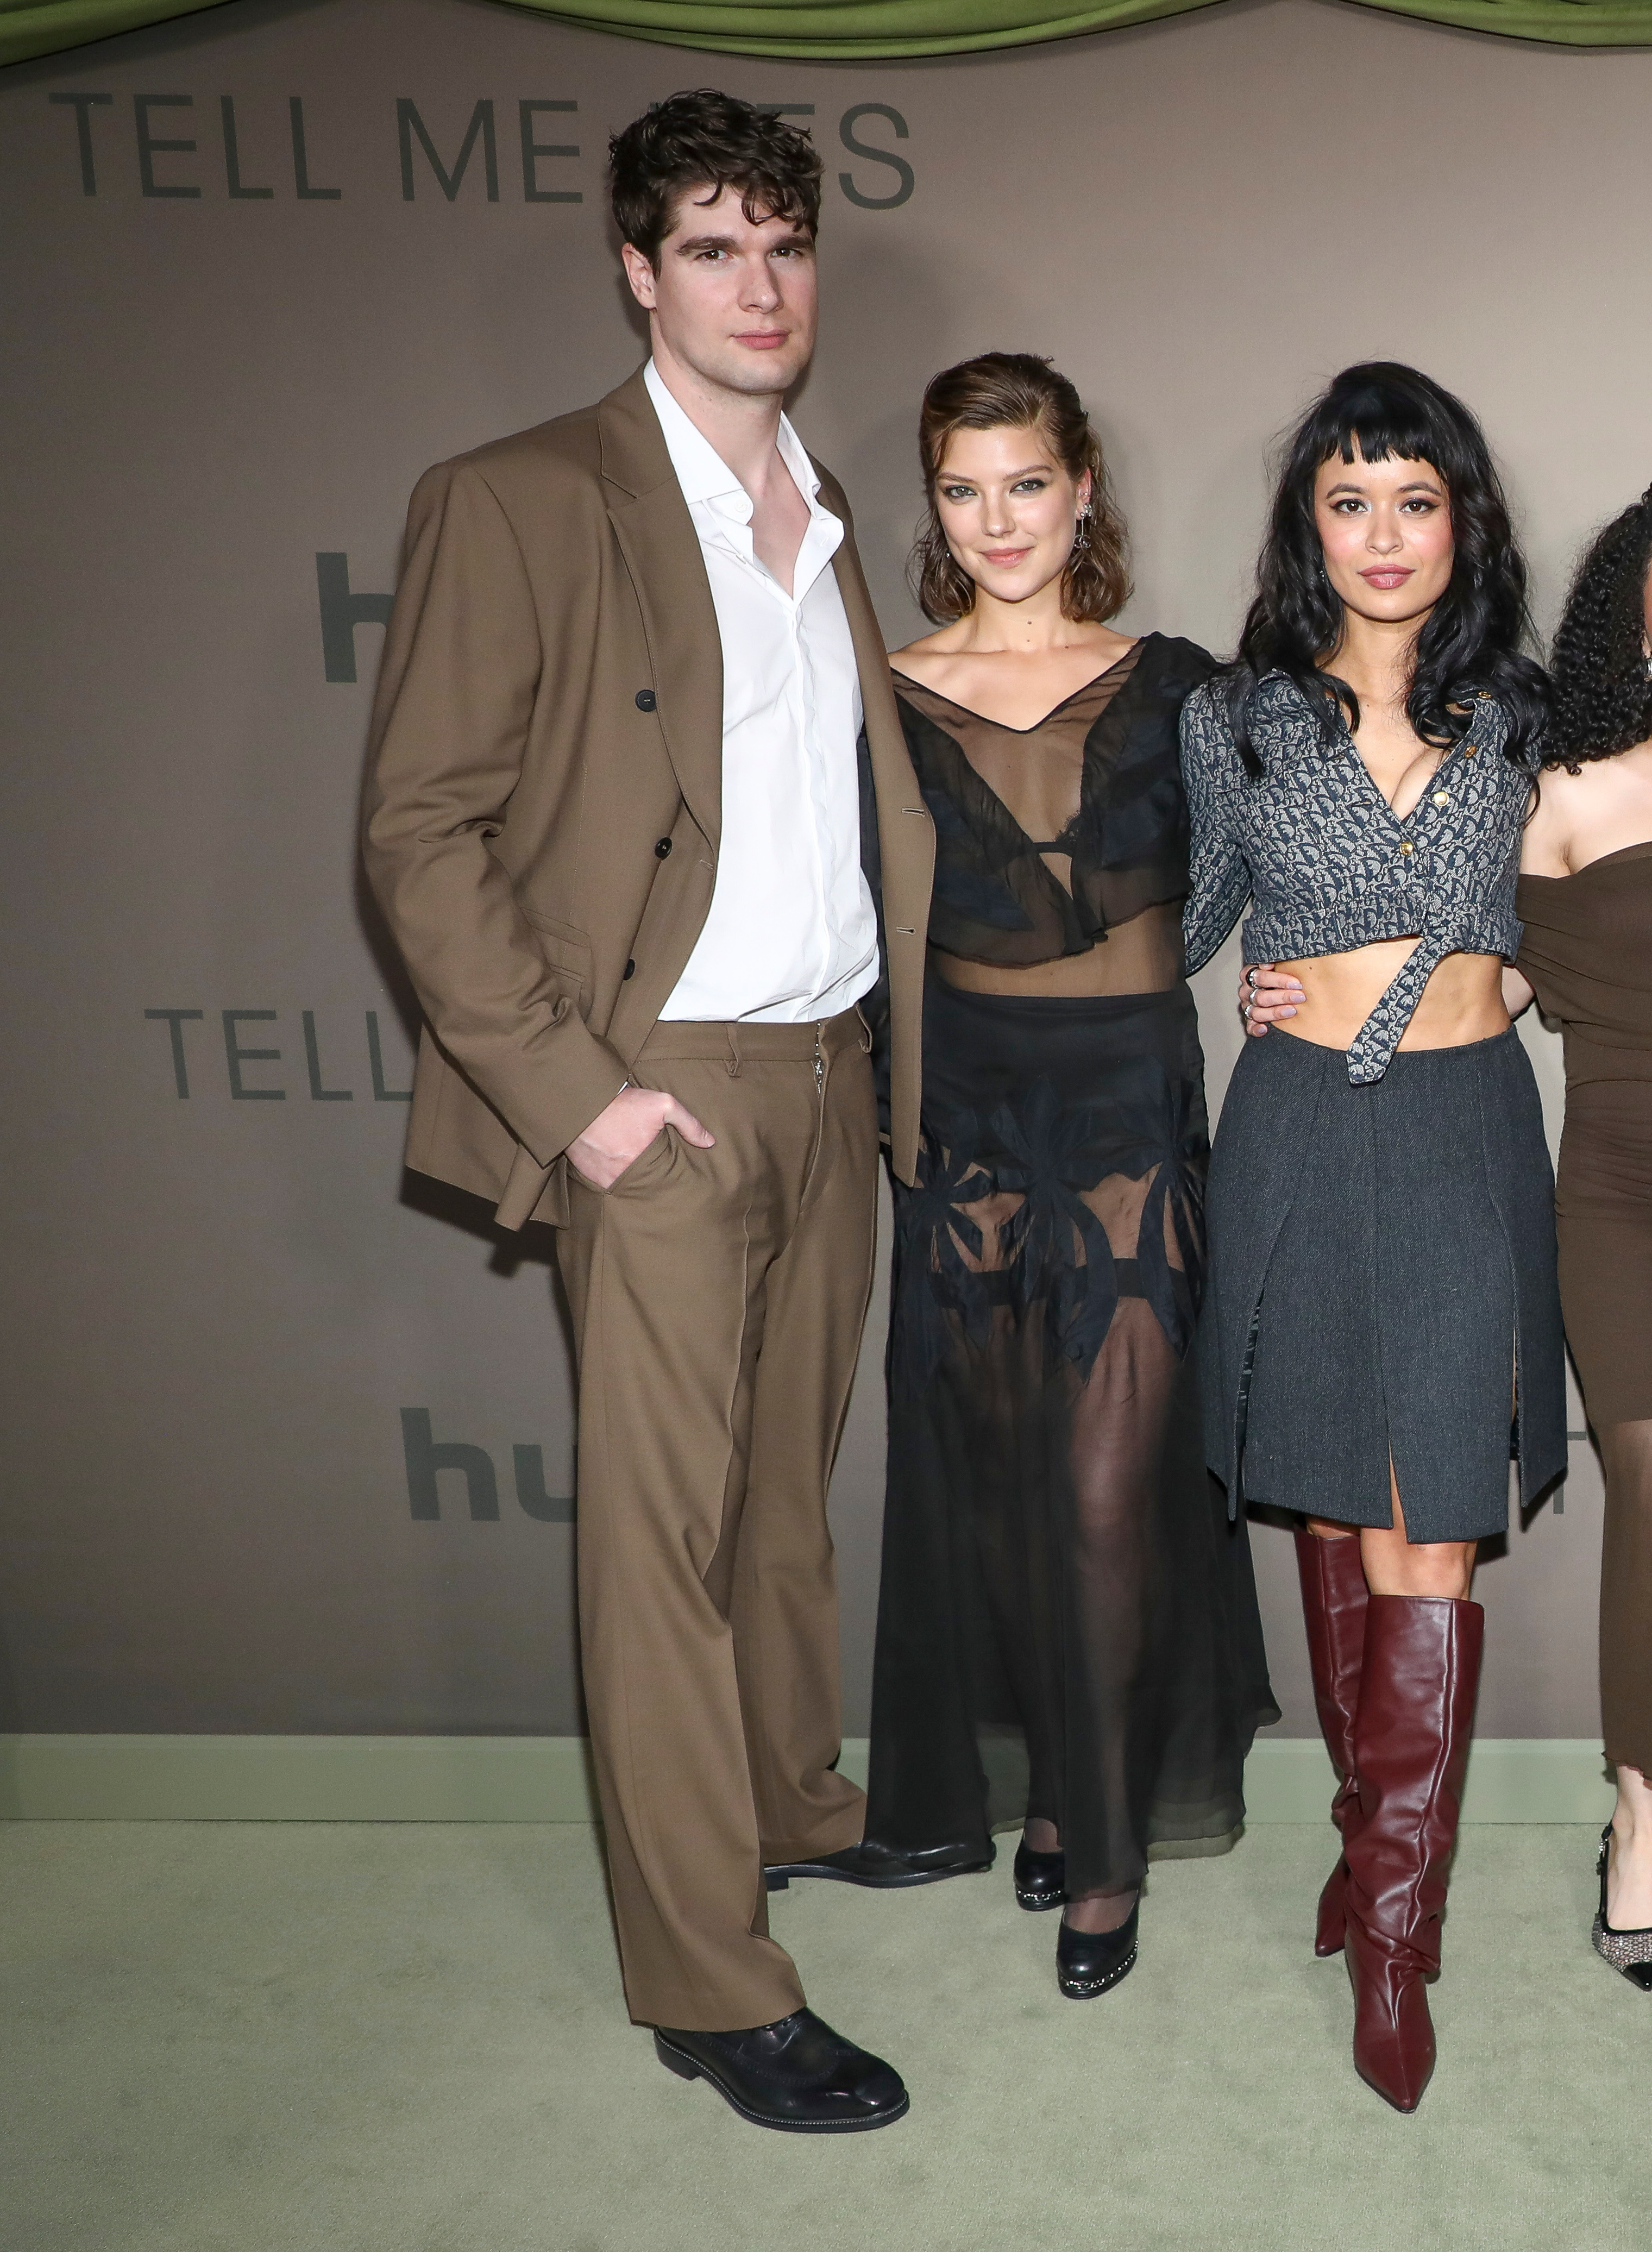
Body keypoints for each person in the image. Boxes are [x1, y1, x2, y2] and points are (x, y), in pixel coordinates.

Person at [359, 91, 929, 2131]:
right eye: (712, 248)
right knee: (661, 1551)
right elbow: (420, 834)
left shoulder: (835, 504)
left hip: (830, 1070)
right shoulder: (519, 496)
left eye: (784, 247)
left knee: (785, 1504)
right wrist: (584, 1104)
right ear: (637, 269)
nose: (759, 286)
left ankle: (782, 1805)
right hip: (660, 1093)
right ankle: (707, 1977)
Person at [1253, 462, 1652, 1994]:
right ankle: (1631, 1810)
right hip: (1633, 1209)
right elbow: (1465, 961)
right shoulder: (1566, 791)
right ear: (1633, 633)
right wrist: (1293, 987)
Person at [854, 353, 1277, 2005]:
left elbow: (1269, 864)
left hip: (1123, 1112)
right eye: (963, 489)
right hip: (961, 1114)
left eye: (1025, 483)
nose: (997, 521)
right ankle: (1052, 1785)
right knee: (1009, 1492)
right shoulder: (876, 686)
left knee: (1109, 1493)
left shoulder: (1183, 685)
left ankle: (1103, 1848)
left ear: (1082, 487)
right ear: (933, 502)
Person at [1181, 363, 1561, 2112]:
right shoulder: (1238, 717)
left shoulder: (1530, 711)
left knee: (1427, 1532)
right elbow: (1170, 919)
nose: (1384, 534)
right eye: (1350, 501)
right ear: (1306, 527)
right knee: (1333, 1501)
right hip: (1297, 1133)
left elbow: (1612, 886)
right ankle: (1362, 1845)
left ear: (1460, 520)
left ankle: (1397, 1941)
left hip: (1463, 1134)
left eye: (1416, 500)